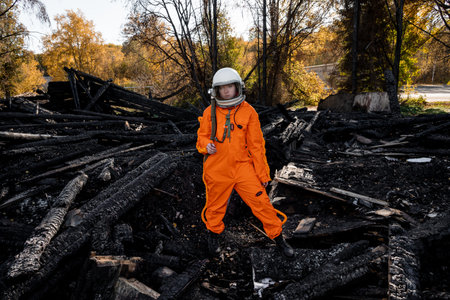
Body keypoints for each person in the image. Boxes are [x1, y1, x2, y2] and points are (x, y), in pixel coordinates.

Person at [196, 67, 294, 258]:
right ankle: (214, 235)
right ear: (216, 91)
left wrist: (262, 173)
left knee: (261, 203)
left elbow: (256, 145)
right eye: (222, 88)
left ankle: (279, 238)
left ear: (238, 88)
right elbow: (201, 137)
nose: (226, 91)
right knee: (215, 207)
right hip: (217, 168)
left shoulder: (249, 112)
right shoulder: (210, 112)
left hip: (242, 167)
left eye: (230, 87)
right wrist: (206, 145)